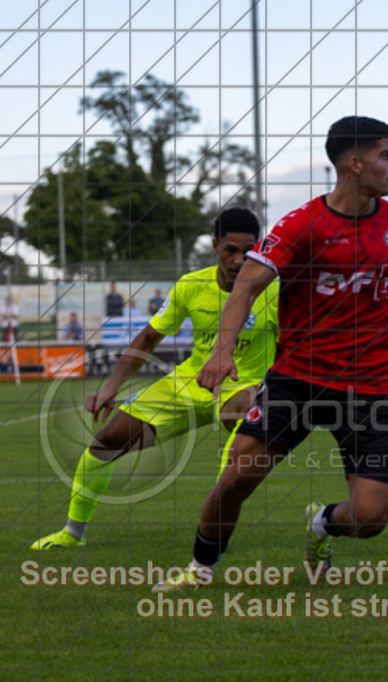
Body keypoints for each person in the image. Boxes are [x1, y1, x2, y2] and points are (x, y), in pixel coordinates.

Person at [153, 116, 388, 592]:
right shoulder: (301, 225)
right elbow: (245, 289)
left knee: (371, 518)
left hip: (372, 384)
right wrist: (222, 353)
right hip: (299, 378)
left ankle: (321, 525)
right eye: (385, 154)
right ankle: (199, 570)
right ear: (354, 164)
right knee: (235, 482)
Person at [31, 207, 278, 550]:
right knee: (105, 442)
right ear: (214, 247)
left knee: (234, 441)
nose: (238, 260)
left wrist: (269, 386)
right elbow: (148, 338)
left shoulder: (277, 290)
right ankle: (73, 533)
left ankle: (208, 551)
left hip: (246, 384)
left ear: (260, 247)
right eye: (230, 251)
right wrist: (111, 386)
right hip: (190, 382)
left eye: (247, 251)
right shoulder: (191, 286)